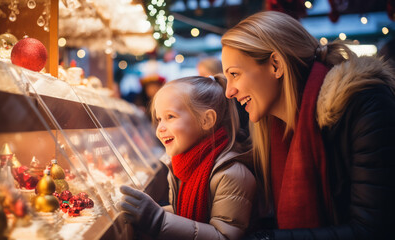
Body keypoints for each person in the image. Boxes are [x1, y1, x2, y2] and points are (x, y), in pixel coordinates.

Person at [220, 11, 395, 239]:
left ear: (275, 65)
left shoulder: (366, 105)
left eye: (235, 74)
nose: (229, 91)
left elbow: (374, 230)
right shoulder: (275, 129)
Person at [119, 75, 256, 239]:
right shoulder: (182, 165)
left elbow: (225, 236)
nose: (160, 128)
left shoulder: (231, 175)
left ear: (206, 120)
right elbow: (182, 211)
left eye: (170, 117)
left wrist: (158, 219)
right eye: (159, 119)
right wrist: (151, 212)